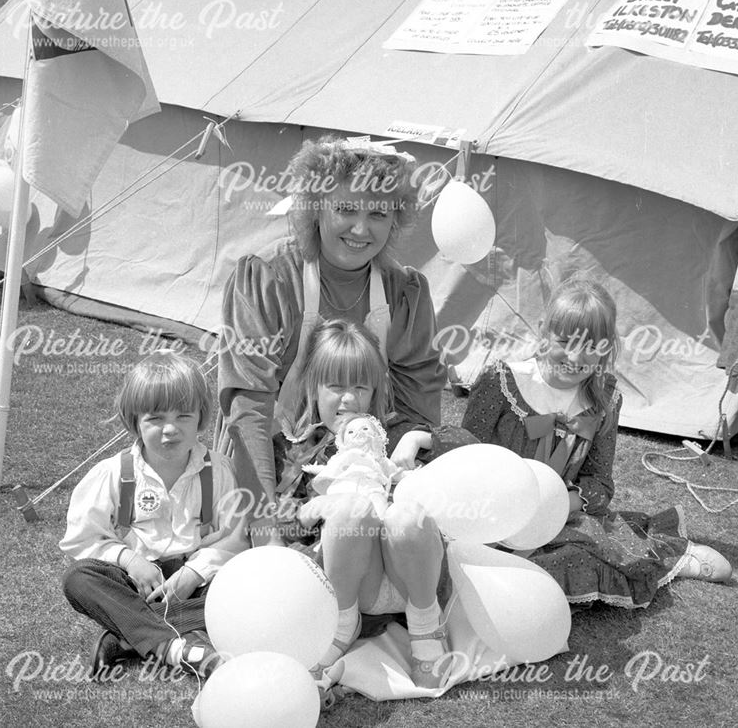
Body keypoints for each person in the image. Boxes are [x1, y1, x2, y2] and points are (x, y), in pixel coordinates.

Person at [215, 135, 448, 543]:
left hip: (364, 464)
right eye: (345, 209)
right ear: (315, 208)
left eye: (378, 213)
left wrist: (394, 489)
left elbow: (418, 405)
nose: (361, 229)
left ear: (397, 219)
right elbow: (248, 406)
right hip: (266, 470)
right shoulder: (268, 277)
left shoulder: (404, 291)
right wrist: (265, 523)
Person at [461, 279, 732, 610]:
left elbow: (599, 483)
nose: (575, 356)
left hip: (559, 517)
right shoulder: (500, 382)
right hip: (492, 512)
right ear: (544, 331)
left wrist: (556, 505)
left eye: (590, 346)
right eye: (564, 340)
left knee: (579, 552)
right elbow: (463, 458)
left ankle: (667, 557)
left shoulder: (604, 399)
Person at [276, 318, 471, 696]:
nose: (348, 399)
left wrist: (418, 438)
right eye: (335, 386)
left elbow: (469, 445)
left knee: (405, 515)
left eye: (359, 387)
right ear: (313, 388)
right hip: (351, 583)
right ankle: (342, 625)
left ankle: (425, 627)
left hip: (411, 574)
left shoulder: (388, 435)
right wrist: (310, 511)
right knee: (349, 511)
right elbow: (274, 525)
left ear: (375, 391)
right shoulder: (299, 449)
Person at [60, 350, 249, 679]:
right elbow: (82, 538)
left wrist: (194, 573)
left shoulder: (217, 469)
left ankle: (128, 634)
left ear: (202, 418)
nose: (170, 429)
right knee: (78, 578)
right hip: (135, 582)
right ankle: (174, 646)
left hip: (198, 582)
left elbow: (235, 537)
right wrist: (129, 560)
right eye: (156, 418)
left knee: (246, 588)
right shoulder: (114, 473)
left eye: (183, 416)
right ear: (135, 420)